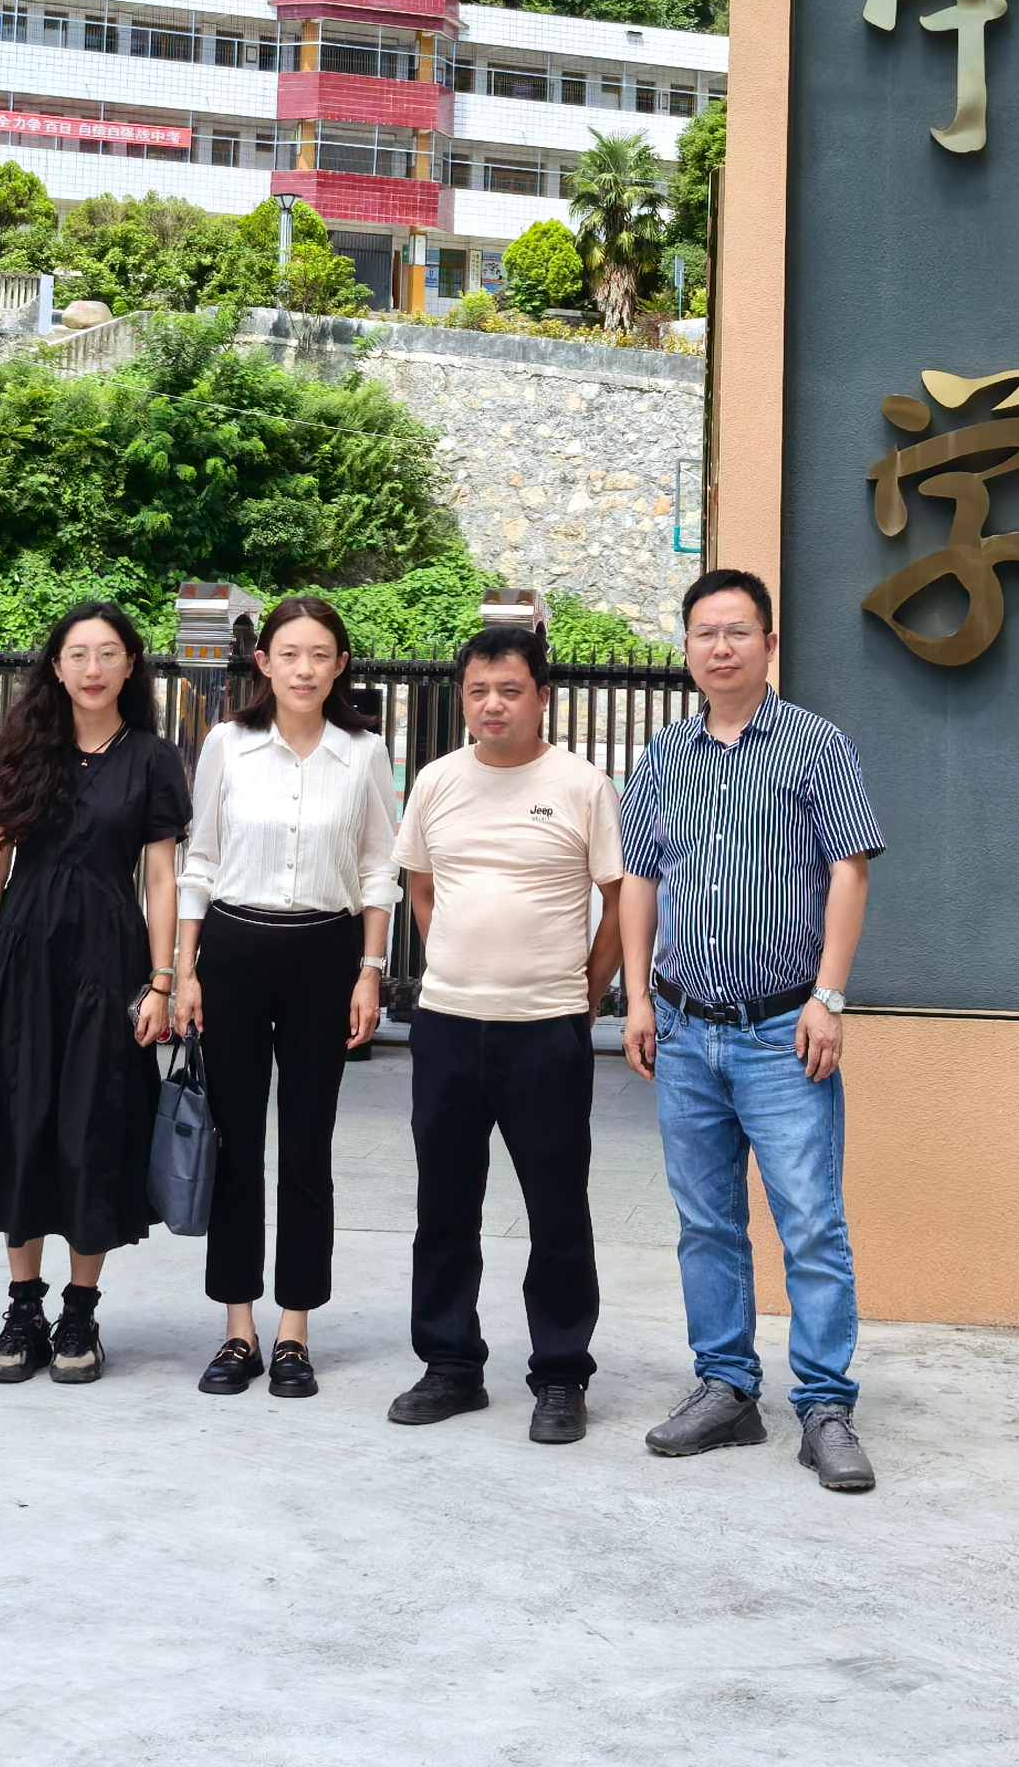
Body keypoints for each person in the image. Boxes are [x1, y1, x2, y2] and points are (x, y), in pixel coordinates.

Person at [618, 566, 887, 1494]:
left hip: (783, 1029)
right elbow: (640, 878)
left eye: (738, 632)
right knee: (707, 1223)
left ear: (769, 645)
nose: (721, 647)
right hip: (684, 1028)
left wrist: (830, 997)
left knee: (810, 1223)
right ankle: (726, 1388)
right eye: (706, 633)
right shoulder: (662, 757)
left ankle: (825, 1407)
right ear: (687, 648)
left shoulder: (815, 745)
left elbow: (850, 869)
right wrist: (637, 998)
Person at [0, 601, 190, 1386]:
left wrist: (162, 980)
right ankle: (23, 1307)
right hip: (22, 958)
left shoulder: (152, 759)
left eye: (108, 654)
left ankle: (80, 1310)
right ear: (57, 666)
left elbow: (162, 879)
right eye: (78, 654)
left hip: (109, 957)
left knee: (93, 1122)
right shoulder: (23, 750)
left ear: (130, 666)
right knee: (19, 1116)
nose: (93, 668)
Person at [385, 622, 623, 1443]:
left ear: (542, 697)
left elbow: (620, 901)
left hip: (545, 1030)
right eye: (479, 691)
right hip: (448, 1025)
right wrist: (458, 965)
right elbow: (421, 888)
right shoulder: (437, 781)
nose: (493, 705)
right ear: (463, 698)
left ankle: (560, 1375)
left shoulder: (583, 786)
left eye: (510, 690)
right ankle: (450, 1364)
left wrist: (587, 993)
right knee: (444, 1205)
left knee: (557, 1208)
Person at [169, 592, 402, 1400]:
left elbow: (379, 865)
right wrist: (187, 970)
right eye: (290, 654)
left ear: (341, 666)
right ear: (264, 662)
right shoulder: (228, 745)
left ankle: (295, 1330)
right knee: (235, 1142)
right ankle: (238, 1328)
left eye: (320, 655)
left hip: (324, 954)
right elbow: (200, 859)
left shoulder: (363, 753)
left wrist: (370, 968)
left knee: (307, 1145)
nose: (305, 669)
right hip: (234, 948)